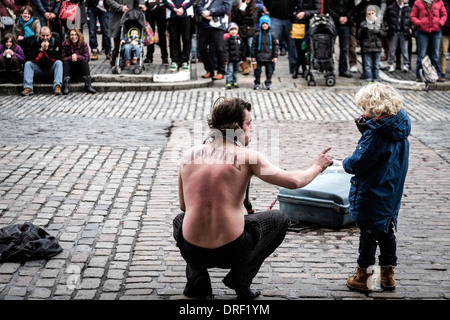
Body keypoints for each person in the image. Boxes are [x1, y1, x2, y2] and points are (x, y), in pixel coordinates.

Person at [173, 96, 333, 299]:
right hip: (231, 250)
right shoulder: (249, 157)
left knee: (179, 221)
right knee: (278, 219)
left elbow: (183, 206)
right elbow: (294, 182)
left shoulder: (189, 154)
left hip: (192, 249)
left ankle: (197, 282)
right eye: (249, 123)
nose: (252, 128)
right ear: (236, 127)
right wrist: (317, 166)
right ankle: (240, 278)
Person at [344, 82, 411, 293]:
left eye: (364, 107)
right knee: (386, 231)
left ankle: (363, 276)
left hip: (372, 192)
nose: (362, 111)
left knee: (369, 234)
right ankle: (387, 276)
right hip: (391, 191)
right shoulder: (399, 128)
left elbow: (358, 163)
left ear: (375, 108)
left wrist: (345, 161)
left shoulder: (377, 134)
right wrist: (367, 127)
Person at [410, 0, 447, 82]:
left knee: (435, 54)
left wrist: (440, 23)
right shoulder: (418, 2)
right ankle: (419, 76)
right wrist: (419, 23)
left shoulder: (439, 2)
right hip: (422, 31)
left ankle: (437, 75)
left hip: (436, 31)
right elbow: (413, 16)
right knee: (421, 55)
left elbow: (444, 15)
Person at [21, 26, 63, 96]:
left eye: (47, 35)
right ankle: (28, 87)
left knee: (59, 63)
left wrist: (47, 50)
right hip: (39, 69)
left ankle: (57, 86)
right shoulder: (35, 43)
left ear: (50, 35)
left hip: (51, 69)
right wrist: (40, 50)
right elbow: (30, 57)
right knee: (28, 64)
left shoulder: (56, 43)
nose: (45, 38)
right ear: (40, 35)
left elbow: (58, 57)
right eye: (43, 35)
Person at [197, 0, 233, 80]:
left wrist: (210, 12)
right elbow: (199, 5)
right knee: (201, 47)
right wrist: (203, 13)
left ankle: (221, 71)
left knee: (219, 48)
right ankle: (209, 70)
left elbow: (226, 7)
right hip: (205, 24)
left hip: (218, 25)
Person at [106, 0, 146, 68]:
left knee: (133, 38)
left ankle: (134, 58)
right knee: (118, 40)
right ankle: (115, 55)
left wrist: (141, 4)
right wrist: (120, 7)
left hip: (131, 15)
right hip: (117, 16)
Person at [263, 0, 297, 73]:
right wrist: (270, 9)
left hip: (290, 18)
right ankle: (270, 67)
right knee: (272, 44)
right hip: (275, 17)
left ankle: (294, 67)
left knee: (292, 45)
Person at [325, 0, 355, 78]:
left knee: (344, 49)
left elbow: (352, 8)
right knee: (330, 48)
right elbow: (327, 7)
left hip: (345, 24)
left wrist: (346, 17)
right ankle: (330, 69)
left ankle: (343, 70)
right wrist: (338, 18)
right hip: (333, 23)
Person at [61, 28, 96, 95]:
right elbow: (63, 58)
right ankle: (65, 85)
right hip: (69, 69)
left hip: (80, 69)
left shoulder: (83, 44)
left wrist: (78, 57)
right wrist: (71, 57)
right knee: (65, 62)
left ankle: (88, 84)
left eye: (75, 35)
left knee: (84, 62)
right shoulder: (65, 44)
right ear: (69, 36)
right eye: (72, 35)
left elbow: (87, 58)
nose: (74, 37)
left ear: (78, 35)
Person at [292, 0, 321, 79]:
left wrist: (305, 13)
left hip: (309, 25)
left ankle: (298, 68)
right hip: (298, 24)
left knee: (304, 47)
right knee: (298, 47)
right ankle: (303, 69)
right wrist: (295, 12)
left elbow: (318, 10)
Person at [357, 5, 386, 83]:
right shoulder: (363, 24)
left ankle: (376, 80)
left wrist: (379, 31)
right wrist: (364, 30)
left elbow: (384, 34)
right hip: (367, 48)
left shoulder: (379, 23)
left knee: (376, 65)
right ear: (366, 14)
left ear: (375, 14)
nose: (370, 15)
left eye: (372, 13)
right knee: (367, 66)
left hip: (377, 47)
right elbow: (359, 36)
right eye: (368, 14)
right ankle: (369, 80)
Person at [163, 0, 194, 72]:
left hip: (186, 14)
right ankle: (175, 60)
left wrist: (183, 8)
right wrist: (174, 9)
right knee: (173, 39)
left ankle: (185, 61)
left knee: (186, 39)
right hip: (172, 14)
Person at [383, 0, 412, 72]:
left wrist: (411, 28)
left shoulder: (408, 8)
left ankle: (406, 64)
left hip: (404, 31)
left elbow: (412, 19)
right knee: (392, 49)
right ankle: (390, 64)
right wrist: (386, 26)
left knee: (405, 49)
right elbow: (385, 18)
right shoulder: (391, 7)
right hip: (394, 31)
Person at [251, 15, 279, 90]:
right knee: (257, 71)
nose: (264, 25)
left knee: (269, 71)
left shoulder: (272, 35)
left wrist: (275, 56)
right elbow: (253, 46)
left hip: (269, 57)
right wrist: (253, 56)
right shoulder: (257, 35)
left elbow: (275, 46)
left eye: (266, 24)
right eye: (263, 24)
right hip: (259, 57)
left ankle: (268, 82)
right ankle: (257, 82)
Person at [231, 0, 257, 75]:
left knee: (251, 47)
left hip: (250, 30)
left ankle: (255, 66)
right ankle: (245, 67)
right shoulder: (239, 6)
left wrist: (242, 13)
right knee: (242, 49)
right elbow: (237, 19)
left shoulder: (254, 7)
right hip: (241, 30)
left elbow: (252, 19)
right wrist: (241, 10)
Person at [145, 0, 168, 65]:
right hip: (149, 10)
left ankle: (164, 57)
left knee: (162, 35)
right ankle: (149, 56)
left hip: (161, 10)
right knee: (150, 34)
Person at [223, 22, 246, 89]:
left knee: (235, 71)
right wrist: (226, 59)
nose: (233, 31)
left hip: (237, 58)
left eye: (235, 30)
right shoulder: (227, 40)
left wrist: (243, 58)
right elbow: (225, 50)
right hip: (230, 59)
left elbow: (243, 49)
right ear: (229, 31)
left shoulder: (239, 39)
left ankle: (234, 81)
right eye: (232, 30)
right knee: (230, 71)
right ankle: (228, 82)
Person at [439, 0, 450, 81]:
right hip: (445, 30)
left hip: (445, 29)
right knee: (443, 52)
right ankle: (442, 73)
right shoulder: (443, 2)